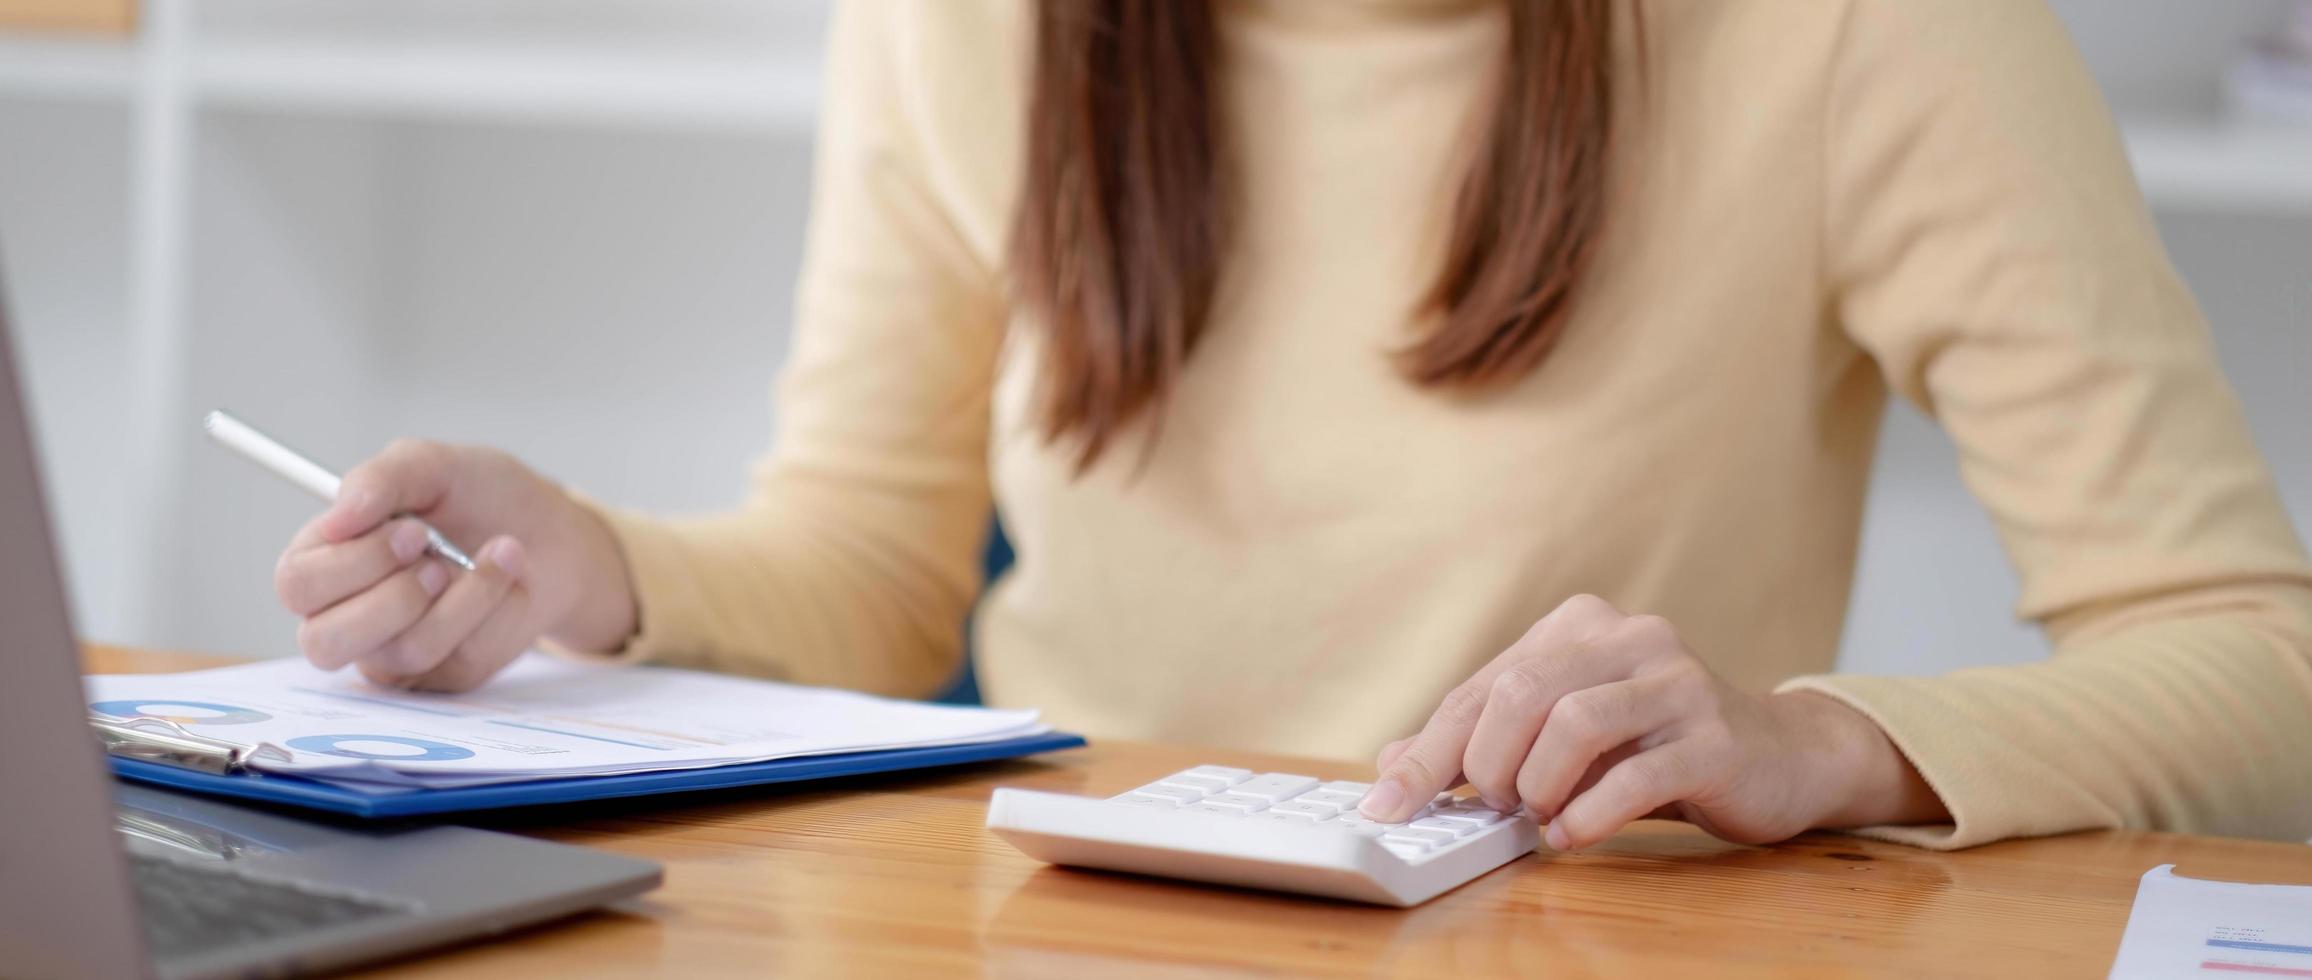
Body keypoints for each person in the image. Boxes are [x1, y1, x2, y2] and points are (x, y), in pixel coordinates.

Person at [269, 0, 2312, 853]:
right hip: (1038, 927)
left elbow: (2260, 659)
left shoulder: (1871, 33)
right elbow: (880, 573)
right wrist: (596, 570)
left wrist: (1834, 741)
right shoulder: (969, 23)